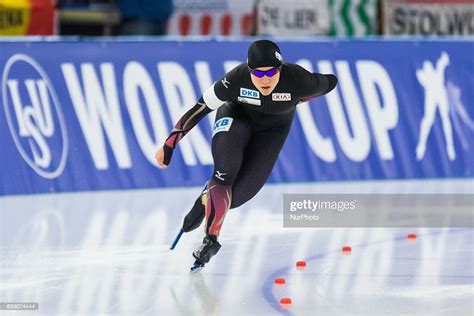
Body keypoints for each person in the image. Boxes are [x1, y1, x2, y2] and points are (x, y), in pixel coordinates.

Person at [155, 40, 337, 271]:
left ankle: (205, 199)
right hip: (236, 117)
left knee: (238, 196)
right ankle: (210, 240)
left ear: (280, 69)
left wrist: (301, 97)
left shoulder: (299, 80)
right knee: (225, 170)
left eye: (271, 72)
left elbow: (331, 82)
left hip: (272, 131)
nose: (265, 79)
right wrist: (169, 144)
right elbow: (199, 109)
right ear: (248, 69)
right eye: (257, 73)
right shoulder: (235, 79)